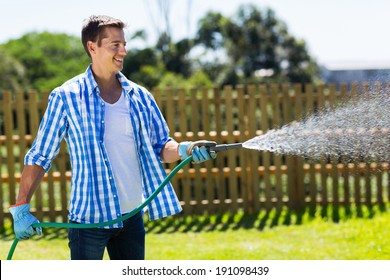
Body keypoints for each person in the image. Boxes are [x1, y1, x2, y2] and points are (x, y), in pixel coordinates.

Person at [8, 15, 216, 260]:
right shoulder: (66, 97)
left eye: (124, 44)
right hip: (88, 223)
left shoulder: (140, 96)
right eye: (115, 45)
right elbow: (41, 155)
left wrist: (186, 149)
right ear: (92, 47)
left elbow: (161, 146)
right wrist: (21, 208)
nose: (123, 51)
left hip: (131, 218)